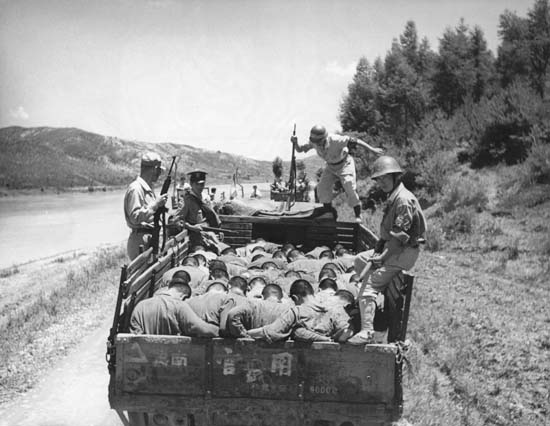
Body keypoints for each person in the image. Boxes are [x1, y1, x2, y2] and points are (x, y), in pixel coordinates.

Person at [348, 156, 426, 345]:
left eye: (384, 178)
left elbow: (399, 240)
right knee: (359, 260)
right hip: (393, 248)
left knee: (369, 286)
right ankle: (374, 299)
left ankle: (367, 331)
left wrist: (381, 258)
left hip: (402, 253)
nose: (380, 182)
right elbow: (388, 235)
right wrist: (378, 250)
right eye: (378, 179)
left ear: (395, 177)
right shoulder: (394, 197)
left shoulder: (403, 200)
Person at [291, 125, 384, 223]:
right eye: (315, 143)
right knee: (322, 187)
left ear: (324, 139)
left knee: (349, 185)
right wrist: (295, 143)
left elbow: (356, 141)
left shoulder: (336, 140)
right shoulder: (313, 142)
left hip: (344, 164)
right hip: (330, 167)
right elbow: (300, 149)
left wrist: (372, 149)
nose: (318, 145)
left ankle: (358, 214)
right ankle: (328, 212)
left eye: (319, 143)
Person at [129, 271, 219, 337]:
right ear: (183, 293)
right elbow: (198, 327)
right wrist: (219, 331)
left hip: (145, 355)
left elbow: (135, 332)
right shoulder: (179, 305)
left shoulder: (141, 305)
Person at [123, 152, 169, 260]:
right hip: (141, 241)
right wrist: (156, 204)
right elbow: (135, 217)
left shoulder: (147, 188)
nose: (159, 174)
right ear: (154, 169)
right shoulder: (136, 189)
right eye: (158, 171)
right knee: (143, 275)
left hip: (148, 239)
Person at [172, 170, 229, 255]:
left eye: (202, 184)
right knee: (201, 254)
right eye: (197, 184)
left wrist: (218, 231)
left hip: (210, 234)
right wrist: (191, 227)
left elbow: (212, 217)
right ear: (191, 184)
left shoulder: (206, 198)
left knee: (226, 250)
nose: (200, 187)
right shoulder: (186, 200)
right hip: (195, 237)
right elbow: (176, 221)